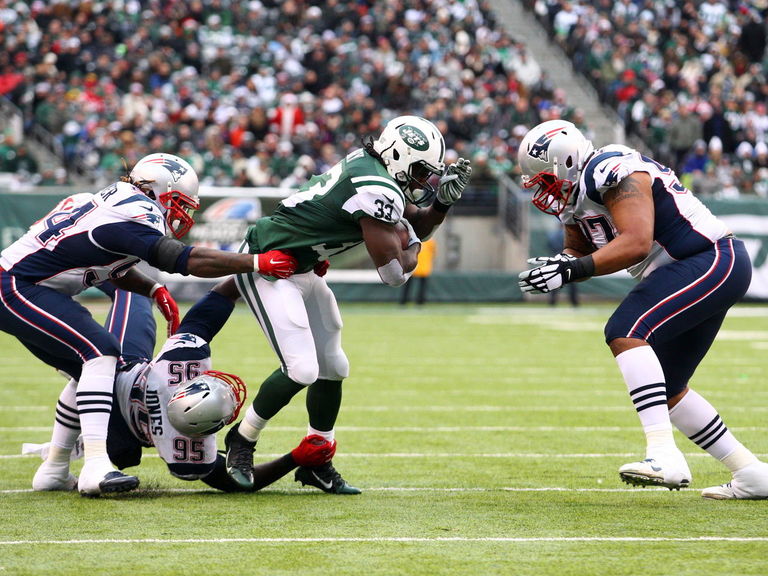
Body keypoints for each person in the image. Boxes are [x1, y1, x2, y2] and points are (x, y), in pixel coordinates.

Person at [0, 153, 297, 496]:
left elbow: (110, 264)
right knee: (101, 351)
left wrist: (153, 289)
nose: (184, 213)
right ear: (160, 190)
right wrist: (256, 262)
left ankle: (54, 468)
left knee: (90, 367)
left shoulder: (107, 202)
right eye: (180, 203)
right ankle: (96, 465)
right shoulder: (134, 211)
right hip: (16, 286)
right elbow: (184, 259)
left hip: (23, 284)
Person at [517, 120, 768, 500]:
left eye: (544, 178)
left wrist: (571, 268)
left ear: (566, 161)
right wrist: (559, 267)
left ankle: (664, 455)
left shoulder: (609, 167)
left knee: (624, 329)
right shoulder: (575, 203)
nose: (542, 190)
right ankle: (751, 472)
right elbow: (581, 253)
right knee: (667, 387)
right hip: (694, 268)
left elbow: (636, 242)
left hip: (709, 257)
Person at [224, 115, 472, 493]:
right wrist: (414, 246)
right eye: (421, 170)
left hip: (303, 265)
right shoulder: (375, 184)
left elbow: (417, 224)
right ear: (398, 153)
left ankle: (317, 459)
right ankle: (242, 440)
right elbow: (393, 272)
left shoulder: (377, 170)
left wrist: (440, 204)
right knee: (302, 368)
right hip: (270, 263)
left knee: (333, 365)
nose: (423, 180)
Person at [28, 278, 335, 493]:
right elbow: (237, 481)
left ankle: (60, 277)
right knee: (119, 447)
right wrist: (294, 458)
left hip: (125, 372)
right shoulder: (190, 452)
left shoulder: (177, 364)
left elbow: (221, 294)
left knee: (131, 294)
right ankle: (72, 458)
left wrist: (252, 269)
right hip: (120, 438)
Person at [545, 227, 579, 307]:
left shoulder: (552, 235)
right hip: (567, 258)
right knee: (571, 280)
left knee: (554, 280)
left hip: (555, 258)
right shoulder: (568, 235)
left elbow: (549, 246)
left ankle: (552, 301)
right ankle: (574, 302)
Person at [399, 237, 437, 305]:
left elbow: (433, 253)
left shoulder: (428, 242)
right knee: (410, 285)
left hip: (420, 267)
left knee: (419, 286)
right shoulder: (414, 239)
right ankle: (407, 300)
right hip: (414, 267)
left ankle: (417, 301)